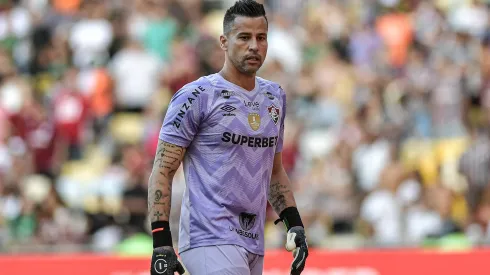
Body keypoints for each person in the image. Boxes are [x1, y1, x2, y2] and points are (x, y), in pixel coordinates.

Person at [148, 1, 308, 274]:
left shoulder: (274, 97)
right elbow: (162, 170)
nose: (254, 46)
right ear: (224, 41)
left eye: (261, 37)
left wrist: (294, 223)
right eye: (244, 37)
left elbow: (275, 170)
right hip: (208, 237)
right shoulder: (196, 95)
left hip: (253, 241)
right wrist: (161, 243)